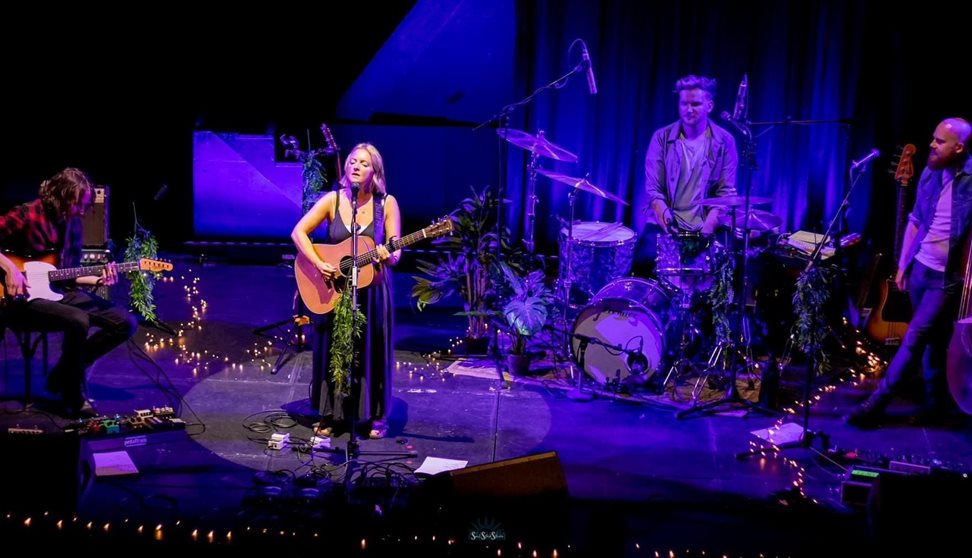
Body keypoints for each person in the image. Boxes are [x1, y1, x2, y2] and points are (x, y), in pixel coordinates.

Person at [846, 117, 972, 428]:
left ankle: (875, 405)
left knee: (914, 339)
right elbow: (916, 220)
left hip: (946, 280)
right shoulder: (930, 172)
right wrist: (903, 265)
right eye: (933, 138)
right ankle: (937, 405)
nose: (932, 144)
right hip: (920, 269)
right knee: (933, 341)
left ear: (959, 147)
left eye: (940, 142)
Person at [0, 167, 138, 418]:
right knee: (78, 319)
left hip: (56, 292)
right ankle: (71, 397)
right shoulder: (26, 214)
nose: (82, 211)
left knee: (125, 322)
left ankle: (63, 374)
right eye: (78, 204)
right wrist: (10, 269)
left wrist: (97, 279)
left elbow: (66, 273)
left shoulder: (73, 224)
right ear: (60, 197)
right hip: (20, 299)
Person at [291, 143, 401, 440]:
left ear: (374, 172)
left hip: (373, 291)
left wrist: (386, 254)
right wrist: (320, 264)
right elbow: (298, 233)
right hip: (335, 288)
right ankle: (330, 413)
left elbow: (396, 251)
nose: (355, 166)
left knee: (371, 350)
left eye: (364, 163)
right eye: (353, 161)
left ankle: (374, 415)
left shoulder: (386, 204)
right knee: (331, 352)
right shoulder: (333, 199)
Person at [634, 74, 739, 278]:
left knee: (723, 274)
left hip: (707, 225)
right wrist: (669, 226)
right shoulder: (661, 138)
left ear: (710, 105)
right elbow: (653, 191)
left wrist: (704, 234)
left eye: (696, 104)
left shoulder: (726, 141)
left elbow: (724, 195)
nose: (689, 109)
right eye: (684, 104)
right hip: (666, 224)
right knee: (642, 264)